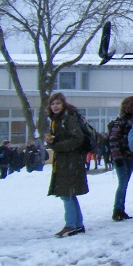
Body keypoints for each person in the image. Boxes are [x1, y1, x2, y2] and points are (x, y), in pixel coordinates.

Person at [45, 92, 88, 237]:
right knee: (68, 193)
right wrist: (51, 141)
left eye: (58, 103)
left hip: (70, 161)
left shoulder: (67, 119)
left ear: (63, 104)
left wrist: (58, 146)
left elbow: (77, 138)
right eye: (52, 104)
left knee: (66, 193)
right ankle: (77, 224)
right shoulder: (56, 120)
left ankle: (71, 225)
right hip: (64, 161)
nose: (55, 106)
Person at [107, 95, 133, 221]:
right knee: (123, 183)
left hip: (127, 156)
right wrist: (117, 157)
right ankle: (117, 210)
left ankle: (120, 209)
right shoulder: (121, 121)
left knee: (124, 183)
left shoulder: (132, 119)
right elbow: (113, 139)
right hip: (122, 156)